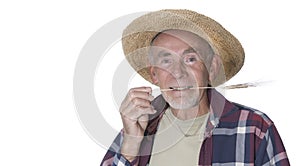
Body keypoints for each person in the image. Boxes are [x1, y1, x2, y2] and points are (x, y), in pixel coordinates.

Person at [100, 9, 290, 166]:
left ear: (212, 68)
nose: (178, 73)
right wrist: (130, 148)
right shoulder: (135, 129)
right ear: (154, 75)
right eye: (166, 61)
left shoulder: (255, 127)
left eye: (190, 59)